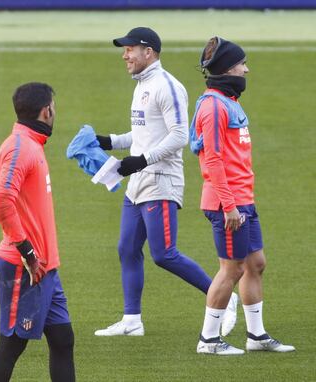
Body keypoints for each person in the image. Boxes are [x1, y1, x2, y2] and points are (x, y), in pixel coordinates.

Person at [94, 27, 237, 337]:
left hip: (160, 181)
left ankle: (226, 298)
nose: (125, 55)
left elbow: (179, 136)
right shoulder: (142, 84)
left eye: (130, 49)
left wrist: (142, 161)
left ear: (150, 52)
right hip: (137, 181)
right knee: (127, 248)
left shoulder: (167, 85)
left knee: (164, 254)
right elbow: (144, 135)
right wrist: (109, 141)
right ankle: (132, 320)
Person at [191, 37, 295, 355]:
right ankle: (208, 340)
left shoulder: (229, 101)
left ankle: (256, 336)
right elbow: (213, 160)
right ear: (226, 69)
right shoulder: (213, 106)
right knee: (232, 269)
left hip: (242, 199)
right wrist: (230, 204)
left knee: (256, 264)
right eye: (241, 64)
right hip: (228, 204)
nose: (246, 70)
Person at [0, 83, 76, 381]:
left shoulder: (31, 144)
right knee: (11, 344)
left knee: (63, 339)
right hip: (24, 266)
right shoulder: (20, 147)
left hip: (45, 268)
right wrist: (28, 252)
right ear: (46, 111)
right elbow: (1, 198)